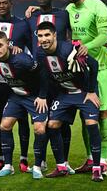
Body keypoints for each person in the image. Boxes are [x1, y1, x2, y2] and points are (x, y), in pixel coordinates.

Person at [36, 21, 103, 182]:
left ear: (54, 35)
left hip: (84, 93)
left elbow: (94, 65)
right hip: (64, 94)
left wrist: (92, 91)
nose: (44, 39)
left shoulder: (69, 50)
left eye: (47, 35)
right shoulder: (39, 53)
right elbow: (44, 75)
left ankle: (96, 168)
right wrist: (43, 95)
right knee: (52, 125)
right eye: (40, 36)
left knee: (91, 123)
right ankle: (61, 167)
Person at [63, 0, 107, 176]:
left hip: (101, 69)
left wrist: (87, 47)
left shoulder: (97, 5)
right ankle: (91, 159)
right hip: (81, 71)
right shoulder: (68, 10)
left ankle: (103, 161)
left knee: (102, 113)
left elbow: (104, 36)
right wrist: (36, 11)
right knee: (87, 116)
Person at [0, 31, 48, 179]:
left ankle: (38, 166)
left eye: (0, 45)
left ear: (8, 45)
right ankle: (8, 166)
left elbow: (43, 73)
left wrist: (43, 96)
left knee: (39, 128)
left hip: (33, 97)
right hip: (16, 96)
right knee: (4, 125)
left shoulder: (22, 60)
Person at [25, 0, 74, 173]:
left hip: (61, 76)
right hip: (39, 76)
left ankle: (65, 161)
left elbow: (75, 33)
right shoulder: (31, 16)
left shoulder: (63, 14)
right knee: (41, 121)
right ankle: (42, 160)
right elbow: (20, 33)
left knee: (62, 121)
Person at [0, 0, 32, 173]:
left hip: (18, 81)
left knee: (21, 119)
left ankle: (23, 158)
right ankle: (0, 157)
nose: (1, 6)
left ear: (11, 4)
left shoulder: (21, 24)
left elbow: (32, 47)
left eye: (5, 3)